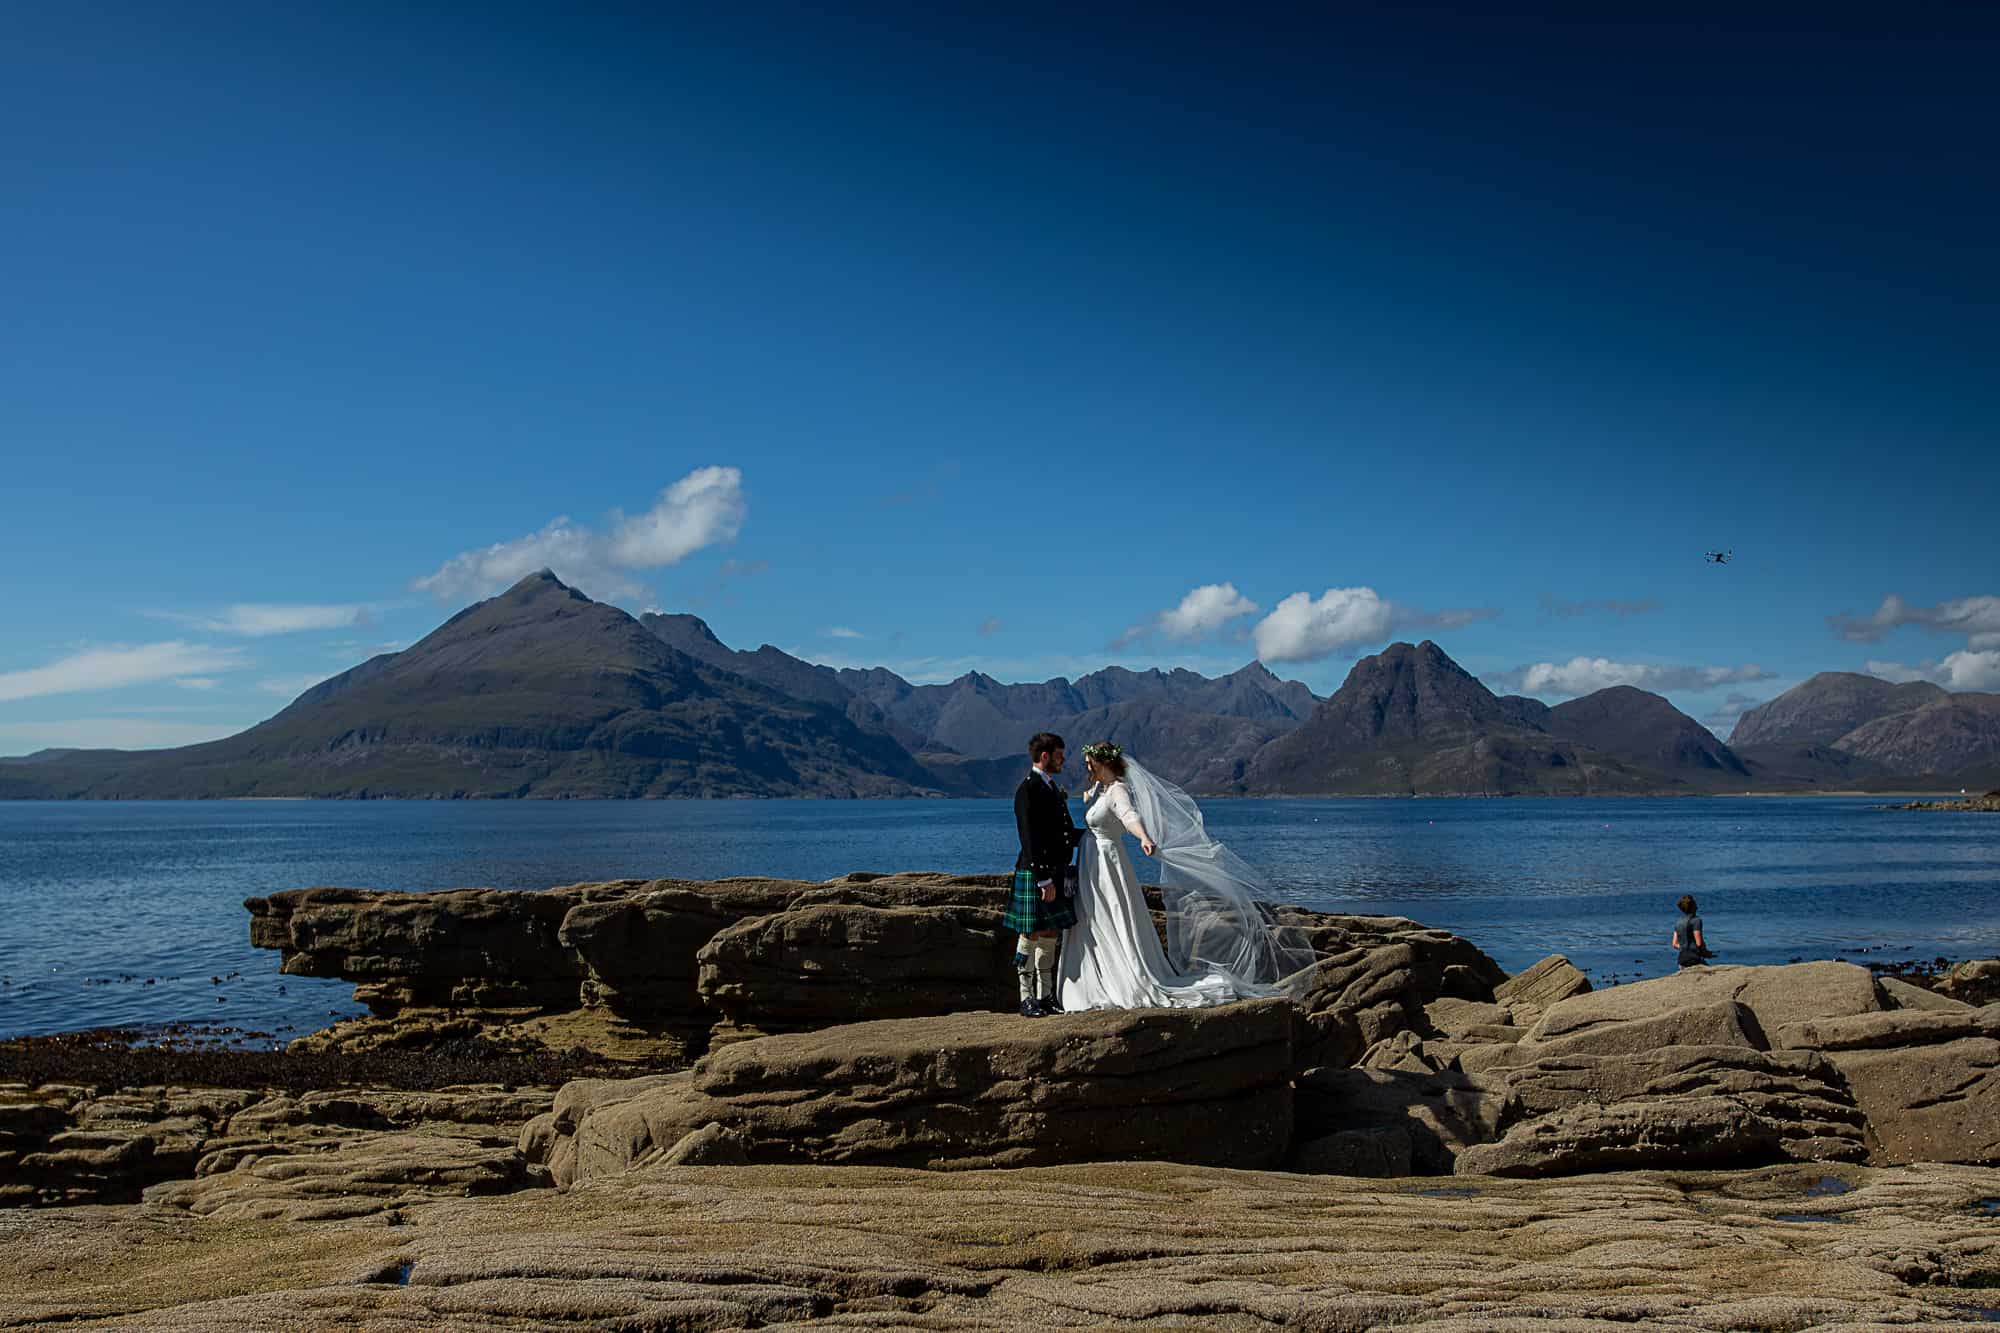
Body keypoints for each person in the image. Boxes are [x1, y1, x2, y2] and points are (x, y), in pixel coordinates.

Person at [1057, 741, 1317, 1010]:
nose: (1086, 766)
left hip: (1108, 861)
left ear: (1104, 762)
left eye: (1090, 762)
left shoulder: (1118, 791)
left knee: (1113, 913)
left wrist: (1144, 837)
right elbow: (1099, 805)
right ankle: (1097, 974)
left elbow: (1128, 815)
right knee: (1094, 916)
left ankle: (1121, 976)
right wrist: (1091, 793)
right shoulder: (1103, 789)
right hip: (1092, 861)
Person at [1003, 731, 1084, 1017]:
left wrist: (1096, 837)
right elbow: (1029, 838)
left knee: (1050, 933)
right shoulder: (1028, 790)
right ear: (1045, 756)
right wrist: (1043, 879)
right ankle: (1026, 998)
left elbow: (1063, 833)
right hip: (1038, 872)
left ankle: (1045, 995)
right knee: (1031, 932)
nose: (1063, 761)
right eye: (1060, 756)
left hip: (1056, 870)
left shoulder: (1049, 787)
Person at [1673, 895, 1710, 968]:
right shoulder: (1696, 920)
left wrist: (1684, 947)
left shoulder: (1678, 922)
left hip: (1682, 960)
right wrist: (1706, 953)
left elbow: (1674, 944)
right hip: (1694, 959)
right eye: (1695, 905)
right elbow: (1699, 943)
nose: (1697, 907)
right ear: (1693, 907)